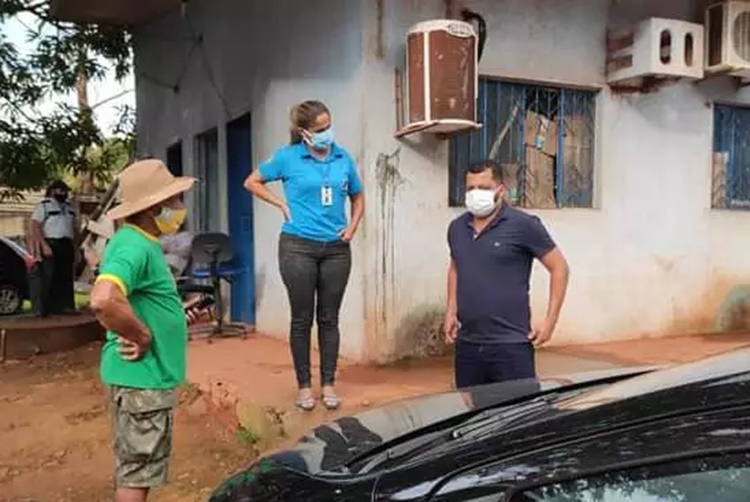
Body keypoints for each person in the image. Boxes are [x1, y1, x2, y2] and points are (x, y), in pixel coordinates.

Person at [244, 100, 365, 411]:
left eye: (329, 126)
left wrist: (352, 227)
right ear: (304, 132)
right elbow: (252, 181)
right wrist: (280, 204)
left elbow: (358, 195)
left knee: (329, 318)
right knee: (302, 318)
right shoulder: (288, 157)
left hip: (336, 249)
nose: (327, 133)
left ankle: (329, 384)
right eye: (320, 129)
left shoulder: (342, 157)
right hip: (298, 247)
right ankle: (304, 386)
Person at [89, 159, 195, 502]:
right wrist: (142, 336)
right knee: (138, 472)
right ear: (153, 207)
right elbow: (104, 298)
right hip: (142, 380)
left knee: (136, 467)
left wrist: (173, 318)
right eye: (174, 199)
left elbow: (135, 301)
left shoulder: (140, 242)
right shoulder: (133, 245)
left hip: (142, 379)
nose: (180, 207)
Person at [445, 160, 570, 389]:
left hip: (511, 345)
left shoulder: (523, 225)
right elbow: (455, 266)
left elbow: (559, 267)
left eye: (484, 187)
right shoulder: (457, 228)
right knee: (470, 409)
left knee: (520, 409)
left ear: (500, 190)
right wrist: (451, 310)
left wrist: (550, 322)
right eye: (471, 188)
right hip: (468, 345)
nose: (476, 193)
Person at [28, 179, 78, 316]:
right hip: (51, 243)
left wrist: (76, 248)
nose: (64, 193)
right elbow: (35, 226)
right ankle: (44, 309)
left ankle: (65, 307)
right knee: (48, 276)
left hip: (66, 243)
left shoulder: (70, 208)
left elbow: (75, 228)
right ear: (52, 191)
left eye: (65, 191)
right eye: (61, 190)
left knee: (65, 277)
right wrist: (43, 245)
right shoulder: (44, 206)